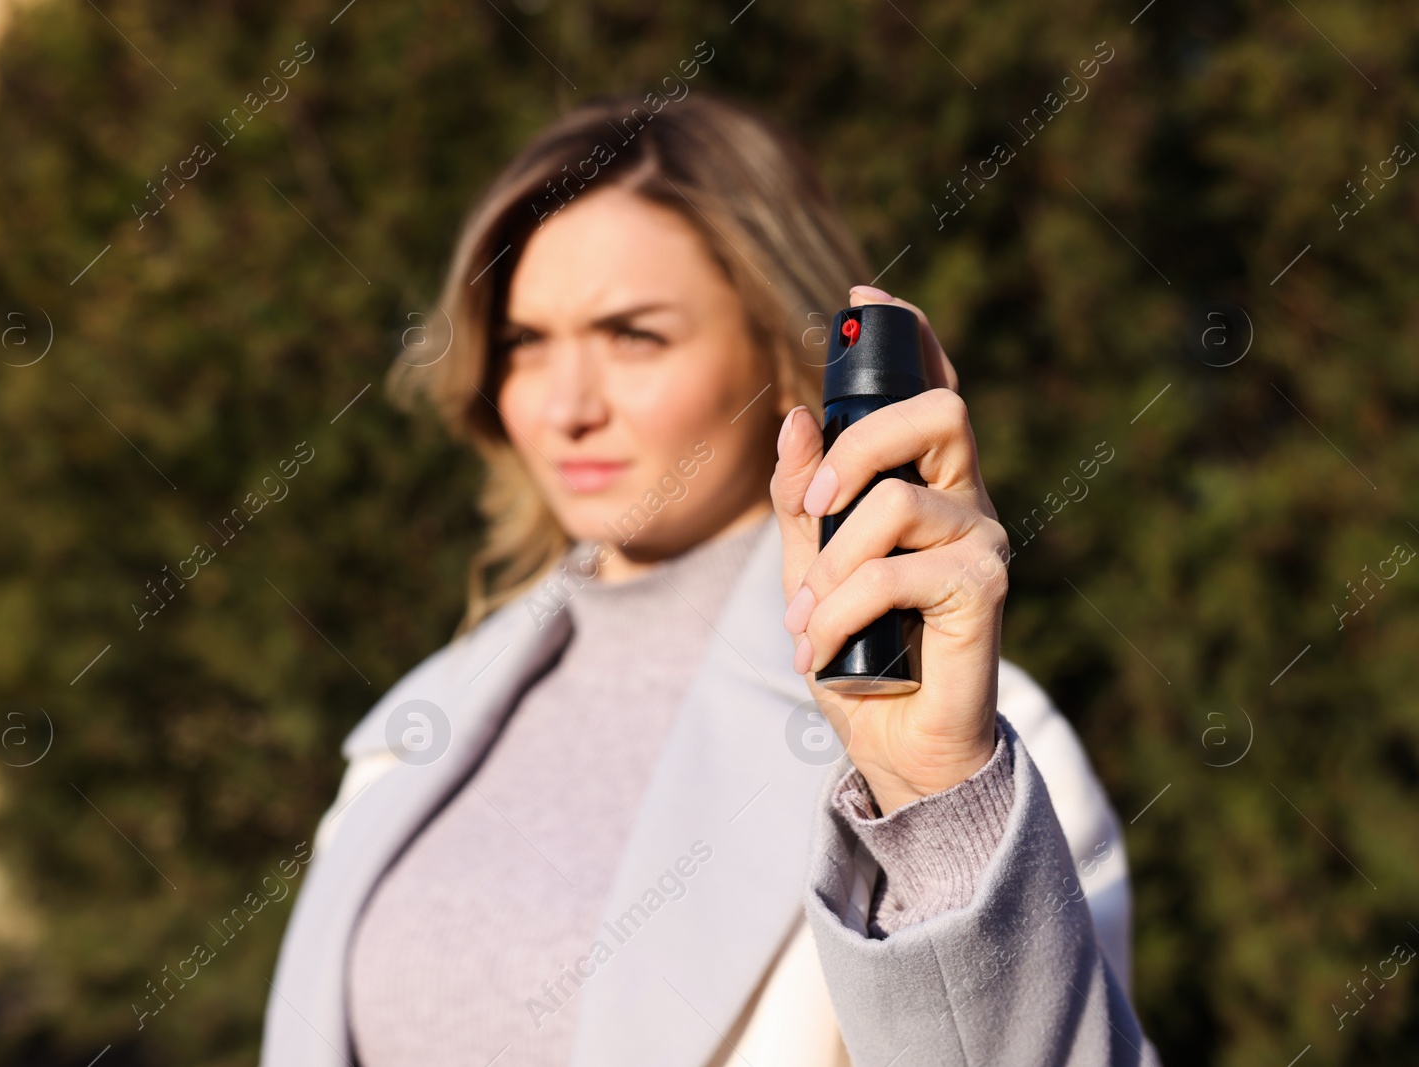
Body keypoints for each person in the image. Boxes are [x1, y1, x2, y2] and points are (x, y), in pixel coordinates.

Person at [262, 94, 1156, 1066]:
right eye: (526, 342)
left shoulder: (966, 751)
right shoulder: (417, 725)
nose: (564, 404)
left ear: (783, 356)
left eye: (633, 334)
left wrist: (930, 800)